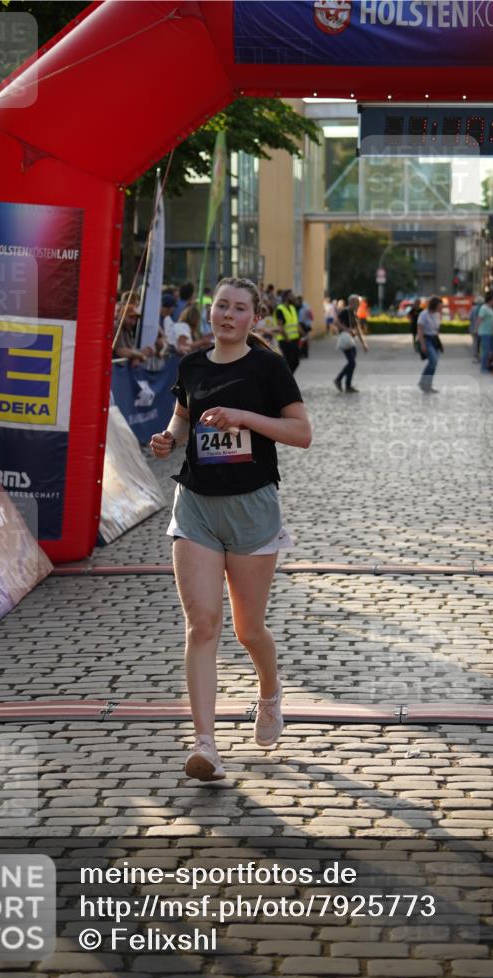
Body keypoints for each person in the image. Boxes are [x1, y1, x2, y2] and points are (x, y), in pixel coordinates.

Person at [149, 277, 312, 782]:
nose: (226, 315)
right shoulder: (192, 364)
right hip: (195, 504)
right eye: (221, 306)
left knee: (248, 629)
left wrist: (245, 416)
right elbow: (182, 418)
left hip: (251, 508)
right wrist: (169, 439)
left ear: (254, 318)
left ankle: (269, 693)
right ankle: (205, 745)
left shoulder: (268, 367)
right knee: (202, 624)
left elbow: (301, 434)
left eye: (238, 309)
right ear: (210, 312)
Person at [333, 294, 368, 393]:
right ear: (352, 302)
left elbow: (358, 329)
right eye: (357, 302)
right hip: (345, 340)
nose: (359, 304)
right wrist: (347, 330)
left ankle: (347, 385)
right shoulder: (345, 311)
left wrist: (364, 344)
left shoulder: (354, 313)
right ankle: (339, 380)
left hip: (351, 341)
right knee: (352, 363)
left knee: (352, 364)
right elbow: (336, 322)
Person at [416, 295, 443, 393]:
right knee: (433, 361)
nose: (441, 308)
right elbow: (420, 330)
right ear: (434, 305)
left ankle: (427, 384)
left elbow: (437, 329)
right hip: (426, 339)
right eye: (439, 306)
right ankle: (423, 382)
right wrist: (422, 344)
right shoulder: (424, 314)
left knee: (434, 363)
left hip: (434, 339)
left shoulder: (437, 315)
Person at [274, 290, 303, 373]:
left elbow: (296, 324)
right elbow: (280, 326)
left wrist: (304, 335)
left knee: (295, 362)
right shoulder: (280, 309)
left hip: (294, 340)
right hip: (285, 340)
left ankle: (288, 380)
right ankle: (286, 382)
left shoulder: (292, 308)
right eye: (291, 295)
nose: (293, 297)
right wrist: (287, 339)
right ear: (286, 298)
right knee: (288, 363)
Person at [477, 289, 493, 373]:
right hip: (484, 333)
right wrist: (476, 329)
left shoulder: (490, 308)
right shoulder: (483, 308)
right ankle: (483, 368)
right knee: (486, 351)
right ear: (491, 300)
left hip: (491, 333)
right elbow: (479, 319)